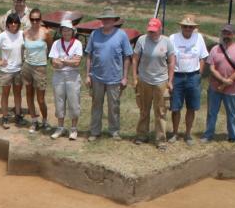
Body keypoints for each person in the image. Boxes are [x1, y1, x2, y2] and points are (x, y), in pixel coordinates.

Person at [85, 9, 133, 140]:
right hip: (96, 77)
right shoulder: (94, 34)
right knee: (96, 105)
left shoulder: (121, 35)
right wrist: (87, 75)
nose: (106, 21)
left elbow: (127, 57)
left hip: (115, 78)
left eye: (109, 19)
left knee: (114, 107)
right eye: (104, 19)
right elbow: (89, 55)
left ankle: (114, 131)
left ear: (114, 20)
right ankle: (95, 131)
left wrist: (125, 77)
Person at [201, 23, 235, 144]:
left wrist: (227, 81)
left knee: (232, 113)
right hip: (215, 88)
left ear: (234, 35)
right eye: (224, 33)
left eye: (229, 33)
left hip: (232, 89)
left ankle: (233, 136)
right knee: (212, 112)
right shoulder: (215, 49)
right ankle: (208, 134)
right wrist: (223, 80)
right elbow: (211, 68)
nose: (226, 35)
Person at [132, 17, 173, 150]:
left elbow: (172, 61)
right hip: (144, 80)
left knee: (160, 112)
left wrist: (170, 81)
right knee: (144, 110)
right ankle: (142, 135)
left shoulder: (167, 42)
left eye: (154, 31)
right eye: (150, 31)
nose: (151, 33)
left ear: (160, 29)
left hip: (161, 81)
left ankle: (161, 140)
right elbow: (135, 59)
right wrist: (135, 77)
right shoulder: (141, 40)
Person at [168, 14, 207, 144]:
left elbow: (203, 57)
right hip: (177, 76)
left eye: (190, 27)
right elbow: (169, 58)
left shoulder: (199, 38)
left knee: (191, 107)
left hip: (193, 76)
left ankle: (188, 134)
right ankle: (174, 133)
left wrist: (199, 74)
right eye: (185, 26)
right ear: (181, 27)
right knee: (175, 107)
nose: (188, 29)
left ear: (194, 28)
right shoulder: (173, 38)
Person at [48, 19, 83, 140]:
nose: (66, 32)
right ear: (61, 31)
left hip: (73, 76)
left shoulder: (78, 43)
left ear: (73, 31)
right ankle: (60, 127)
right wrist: (69, 61)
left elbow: (77, 62)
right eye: (64, 30)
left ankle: (73, 129)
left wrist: (62, 60)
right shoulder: (56, 43)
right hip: (58, 75)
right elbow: (53, 62)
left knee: (74, 102)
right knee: (59, 102)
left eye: (68, 30)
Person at [0, 14, 25, 129]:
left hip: (19, 69)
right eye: (11, 22)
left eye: (15, 22)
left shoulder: (22, 34)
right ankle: (5, 117)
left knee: (18, 93)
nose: (13, 25)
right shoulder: (3, 36)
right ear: (7, 24)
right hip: (6, 71)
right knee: (5, 94)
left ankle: (18, 116)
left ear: (18, 23)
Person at [21, 8, 51, 133]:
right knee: (29, 94)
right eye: (32, 19)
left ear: (41, 19)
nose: (34, 22)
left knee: (40, 98)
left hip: (40, 67)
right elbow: (24, 47)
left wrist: (46, 60)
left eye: (37, 19)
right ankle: (34, 120)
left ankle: (44, 120)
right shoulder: (25, 33)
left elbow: (50, 47)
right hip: (27, 66)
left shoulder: (45, 33)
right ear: (29, 19)